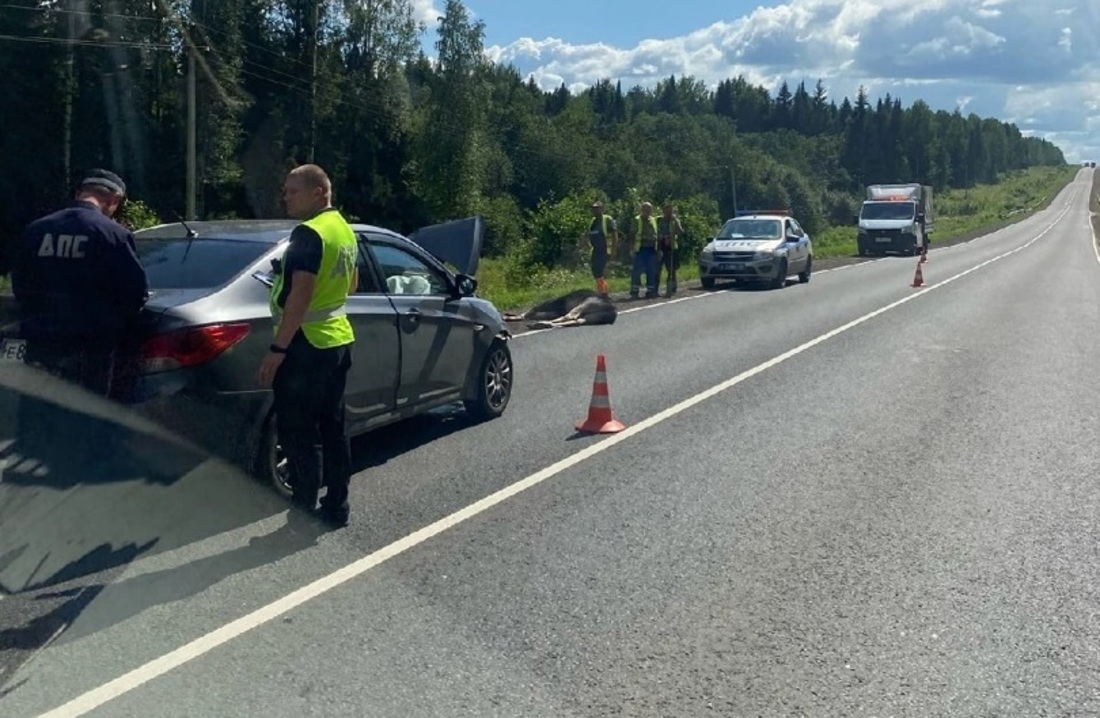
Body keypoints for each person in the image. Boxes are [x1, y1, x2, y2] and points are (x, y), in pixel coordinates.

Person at [258, 163, 358, 528]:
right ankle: (336, 506)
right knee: (333, 427)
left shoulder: (308, 233)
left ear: (319, 192)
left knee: (299, 432)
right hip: (337, 340)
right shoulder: (344, 230)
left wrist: (278, 349)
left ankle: (302, 513)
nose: (285, 197)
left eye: (293, 190)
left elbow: (300, 295)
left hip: (305, 348)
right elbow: (352, 285)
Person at [10, 168, 148, 398]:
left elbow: (20, 286)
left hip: (40, 344)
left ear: (79, 193)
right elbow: (135, 293)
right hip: (90, 348)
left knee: (37, 417)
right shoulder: (112, 234)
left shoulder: (36, 230)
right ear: (114, 199)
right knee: (82, 420)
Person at [582, 201, 617, 296]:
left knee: (599, 270)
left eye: (597, 208)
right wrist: (584, 244)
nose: (595, 210)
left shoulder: (607, 219)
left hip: (605, 249)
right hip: (596, 250)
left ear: (602, 209)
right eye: (593, 208)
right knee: (595, 271)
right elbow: (588, 235)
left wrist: (613, 250)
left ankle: (603, 292)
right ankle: (603, 290)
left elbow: (614, 235)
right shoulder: (592, 221)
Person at [627, 201, 660, 299]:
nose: (647, 211)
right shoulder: (637, 220)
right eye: (645, 209)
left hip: (651, 250)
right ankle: (634, 292)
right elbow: (632, 235)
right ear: (641, 210)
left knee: (651, 271)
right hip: (640, 249)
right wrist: (631, 249)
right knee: (637, 271)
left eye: (649, 210)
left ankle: (650, 291)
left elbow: (656, 236)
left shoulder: (653, 220)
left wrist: (658, 250)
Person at [656, 203, 684, 297]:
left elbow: (680, 232)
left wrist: (676, 223)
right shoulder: (659, 220)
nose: (668, 213)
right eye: (666, 211)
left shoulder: (675, 220)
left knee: (671, 268)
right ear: (663, 211)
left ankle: (672, 287)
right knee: (657, 269)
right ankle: (655, 289)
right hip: (660, 246)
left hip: (671, 247)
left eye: (670, 211)